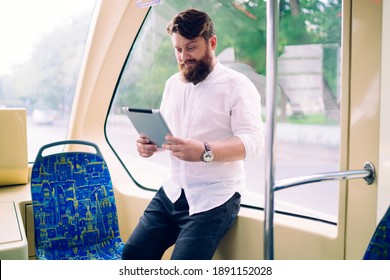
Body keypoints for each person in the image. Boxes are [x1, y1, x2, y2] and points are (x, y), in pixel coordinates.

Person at [121, 8, 264, 260]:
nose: (184, 57)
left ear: (212, 42)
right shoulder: (172, 85)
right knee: (132, 256)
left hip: (215, 198)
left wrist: (205, 152)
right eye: (178, 49)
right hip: (173, 191)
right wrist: (150, 144)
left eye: (191, 47)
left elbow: (254, 142)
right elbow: (170, 137)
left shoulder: (238, 86)